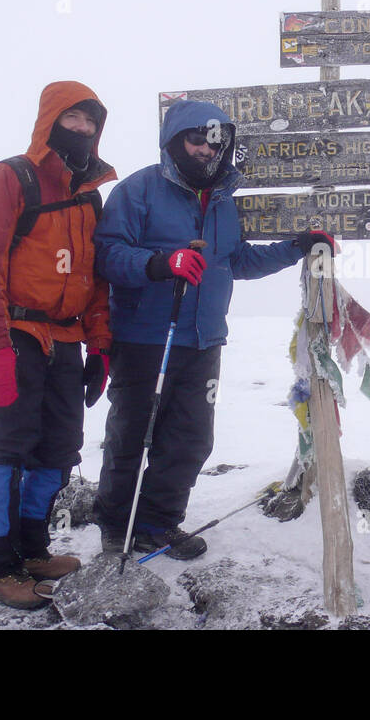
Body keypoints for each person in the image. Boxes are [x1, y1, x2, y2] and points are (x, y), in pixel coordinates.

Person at [92, 99, 332, 560]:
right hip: (145, 337)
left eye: (214, 142)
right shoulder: (138, 190)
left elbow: (236, 261)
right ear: (175, 141)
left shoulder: (221, 202)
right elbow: (107, 255)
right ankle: (117, 527)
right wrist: (161, 263)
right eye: (195, 139)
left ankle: (159, 524)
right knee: (132, 436)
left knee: (190, 438)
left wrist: (297, 247)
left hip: (203, 340)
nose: (205, 150)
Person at [0, 81, 117, 609]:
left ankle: (31, 548)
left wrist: (100, 347)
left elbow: (95, 283)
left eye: (92, 122)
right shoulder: (8, 179)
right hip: (14, 334)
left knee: (58, 448)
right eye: (73, 119)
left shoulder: (87, 196)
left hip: (66, 339)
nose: (84, 130)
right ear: (49, 121)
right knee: (7, 450)